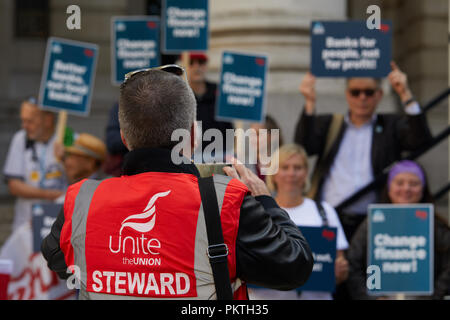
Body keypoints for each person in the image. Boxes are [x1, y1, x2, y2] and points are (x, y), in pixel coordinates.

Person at [41, 65, 314, 300]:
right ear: (193, 137)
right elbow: (295, 266)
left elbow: (57, 258)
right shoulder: (228, 202)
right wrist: (265, 200)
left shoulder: (82, 201)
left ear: (124, 137)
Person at [294, 62, 432, 242]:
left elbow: (420, 141)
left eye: (369, 92)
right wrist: (309, 102)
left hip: (375, 217)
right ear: (347, 95)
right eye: (355, 92)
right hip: (332, 216)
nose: (362, 98)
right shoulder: (331, 124)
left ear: (379, 95)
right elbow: (304, 146)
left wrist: (405, 94)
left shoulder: (390, 125)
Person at [248, 144, 349, 300]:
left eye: (297, 167)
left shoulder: (325, 211)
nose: (291, 173)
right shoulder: (258, 210)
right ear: (273, 174)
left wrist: (339, 271)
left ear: (306, 173)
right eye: (285, 167)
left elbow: (340, 263)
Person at [347, 160, 450, 300]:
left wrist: (432, 297)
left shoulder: (435, 225)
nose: (406, 189)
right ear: (389, 188)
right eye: (399, 183)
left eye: (414, 184)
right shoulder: (372, 223)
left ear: (423, 189)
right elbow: (353, 264)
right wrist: (373, 297)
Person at [3, 97, 66, 231]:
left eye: (30, 121)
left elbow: (84, 179)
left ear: (48, 120)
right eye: (23, 120)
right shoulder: (20, 138)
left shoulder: (68, 138)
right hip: (26, 223)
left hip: (58, 225)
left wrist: (66, 160)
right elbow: (14, 185)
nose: (24, 126)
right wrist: (52, 194)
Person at [187, 52, 234, 162]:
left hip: (219, 157)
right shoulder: (180, 95)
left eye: (201, 63)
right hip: (191, 159)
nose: (196, 67)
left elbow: (229, 127)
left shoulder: (219, 92)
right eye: (191, 63)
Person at [249, 115, 284, 182]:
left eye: (258, 134)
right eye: (251, 134)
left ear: (273, 136)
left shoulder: (284, 165)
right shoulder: (246, 165)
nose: (253, 138)